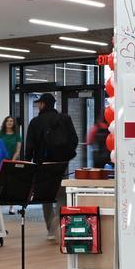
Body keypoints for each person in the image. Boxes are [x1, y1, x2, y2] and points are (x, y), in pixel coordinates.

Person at [24, 93, 78, 240]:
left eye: (39, 103)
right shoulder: (65, 119)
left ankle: (51, 230)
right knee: (61, 194)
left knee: (45, 196)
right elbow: (74, 140)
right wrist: (65, 156)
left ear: (43, 104)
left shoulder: (35, 122)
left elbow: (29, 146)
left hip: (43, 165)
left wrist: (28, 164)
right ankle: (61, 222)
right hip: (61, 164)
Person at [0, 116, 23, 213]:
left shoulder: (17, 135)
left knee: (12, 184)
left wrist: (11, 161)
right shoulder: (0, 134)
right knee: (0, 183)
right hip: (1, 162)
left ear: (13, 123)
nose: (9, 122)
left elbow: (18, 150)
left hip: (13, 162)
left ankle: (11, 207)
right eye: (8, 121)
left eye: (11, 121)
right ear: (5, 122)